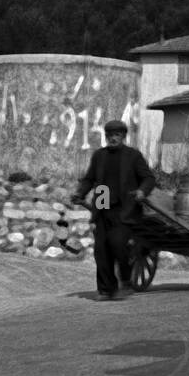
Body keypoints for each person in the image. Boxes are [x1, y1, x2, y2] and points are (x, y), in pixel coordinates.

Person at [70, 119, 155, 302]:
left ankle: (125, 280)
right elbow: (89, 179)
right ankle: (106, 290)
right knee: (101, 250)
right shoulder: (99, 156)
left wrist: (142, 191)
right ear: (106, 137)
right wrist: (80, 193)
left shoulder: (133, 156)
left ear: (123, 137)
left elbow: (148, 178)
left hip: (125, 209)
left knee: (117, 244)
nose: (112, 138)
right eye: (109, 135)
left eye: (117, 135)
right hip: (102, 206)